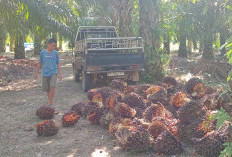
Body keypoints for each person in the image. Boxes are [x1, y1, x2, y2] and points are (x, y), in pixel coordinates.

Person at [34, 38, 62, 107]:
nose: (54, 47)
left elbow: (58, 63)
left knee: (52, 86)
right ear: (48, 45)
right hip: (45, 73)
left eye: (55, 46)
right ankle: (50, 101)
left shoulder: (55, 53)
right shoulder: (42, 53)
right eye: (52, 46)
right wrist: (36, 73)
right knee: (47, 88)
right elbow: (40, 63)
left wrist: (60, 74)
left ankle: (50, 102)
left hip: (53, 72)